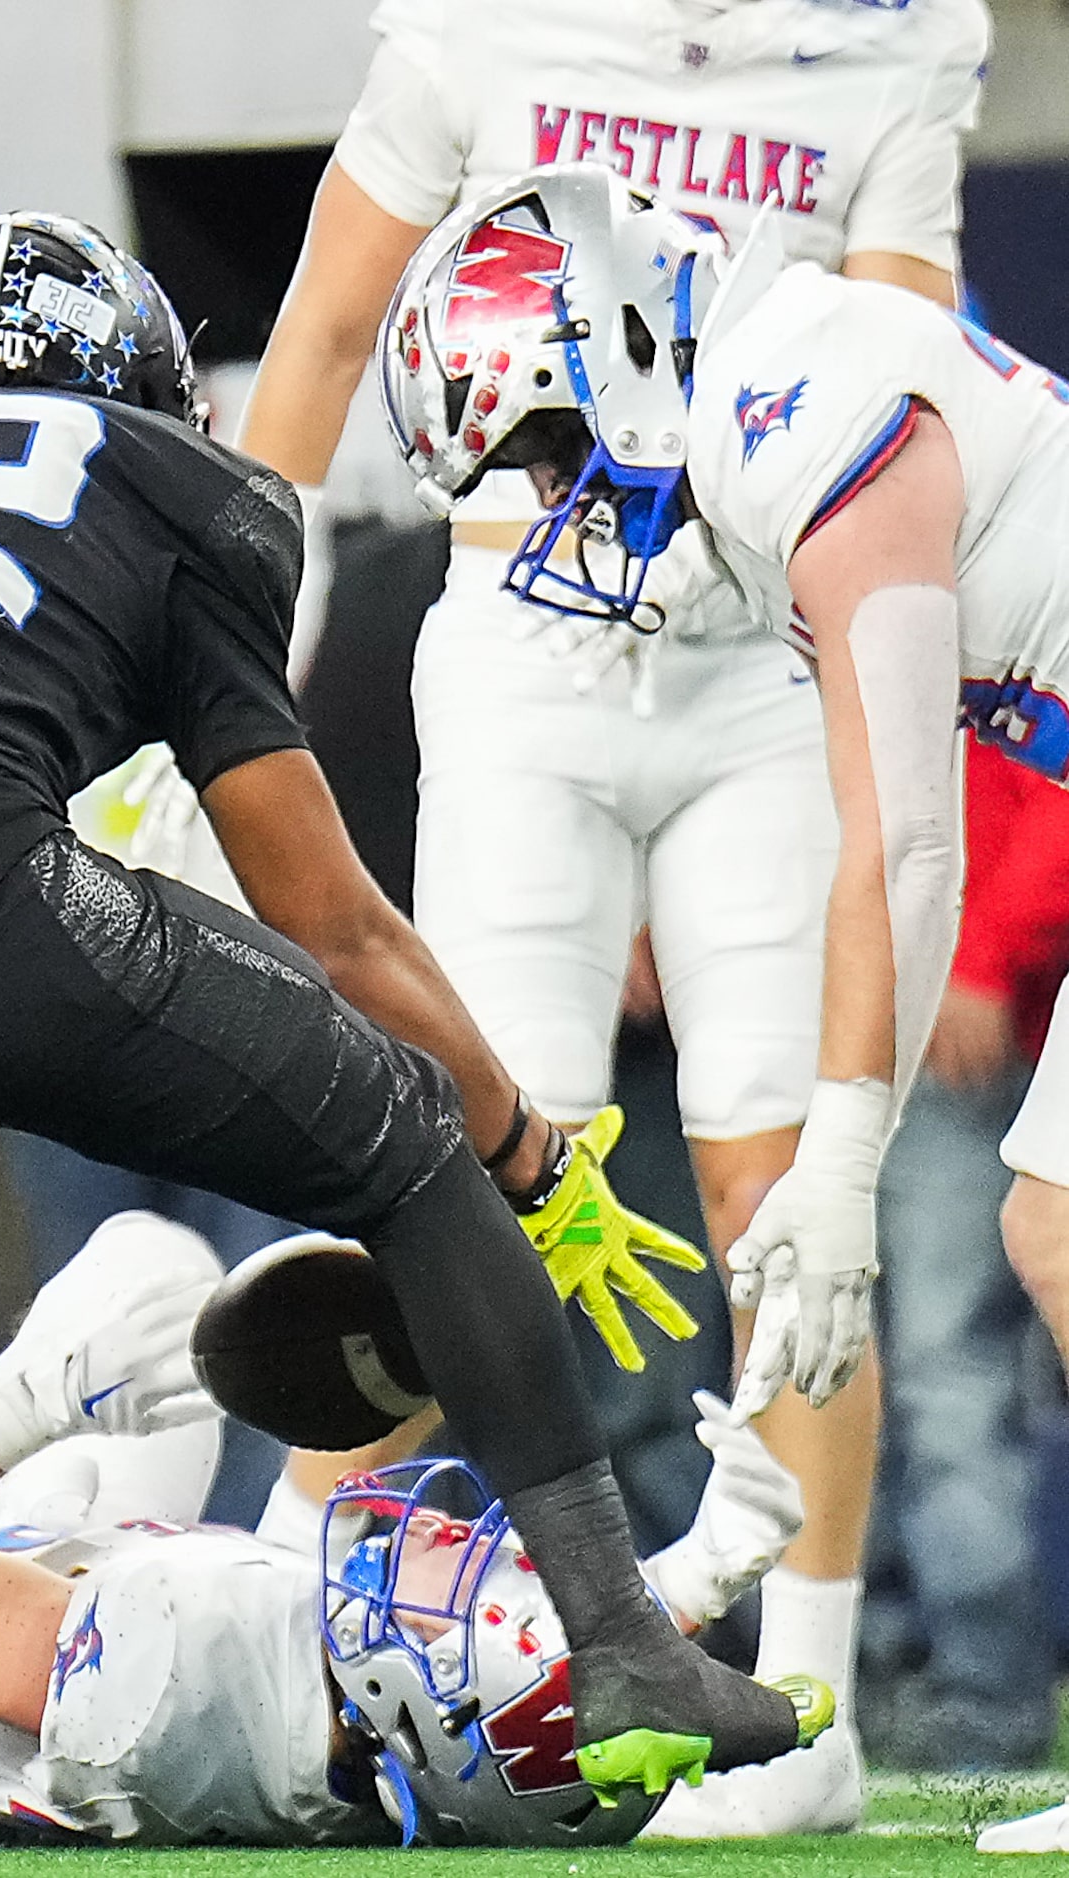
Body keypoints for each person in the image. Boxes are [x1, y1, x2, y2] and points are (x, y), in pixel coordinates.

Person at [0, 208, 817, 1856]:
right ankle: (618, 1645)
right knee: (404, 1138)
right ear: (131, 381)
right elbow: (330, 915)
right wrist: (523, 1154)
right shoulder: (173, 486)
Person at [236, 1, 988, 1831]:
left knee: (779, 1195)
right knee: (453, 1164)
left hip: (752, 656)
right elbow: (325, 333)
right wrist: (211, 648)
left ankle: (801, 1709)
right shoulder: (488, 32)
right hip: (521, 652)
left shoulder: (882, 49)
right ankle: (284, 1644)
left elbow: (902, 364)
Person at [374, 162, 1069, 1853]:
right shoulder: (775, 399)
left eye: (541, 449)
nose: (547, 501)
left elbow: (907, 838)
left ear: (619, 348)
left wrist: (839, 1158)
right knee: (1053, 1222)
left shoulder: (798, 412)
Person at [0, 1216, 804, 1848]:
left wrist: (27, 1407)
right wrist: (702, 1565)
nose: (455, 1547)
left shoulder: (168, 1672)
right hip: (190, 1643)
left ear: (423, 1690)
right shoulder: (396, 1738)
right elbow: (550, 1696)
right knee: (158, 1263)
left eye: (460, 1590)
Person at [863, 745, 1068, 1772]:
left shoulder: (1007, 588)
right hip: (820, 1008)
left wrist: (985, 952)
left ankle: (988, 1692)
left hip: (949, 1013)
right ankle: (866, 1668)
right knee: (813, 1357)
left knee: (949, 1376)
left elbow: (1051, 770)